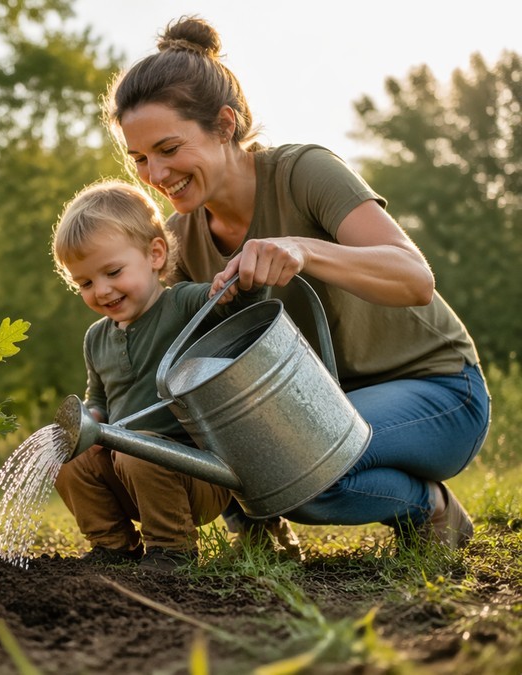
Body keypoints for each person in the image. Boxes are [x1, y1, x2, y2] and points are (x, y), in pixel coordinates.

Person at [103, 16, 490, 550]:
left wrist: (302, 249)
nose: (155, 174)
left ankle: (432, 509)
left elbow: (414, 278)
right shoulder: (179, 239)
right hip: (323, 409)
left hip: (439, 392)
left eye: (169, 149)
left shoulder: (304, 172)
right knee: (266, 450)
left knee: (299, 463)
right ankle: (263, 534)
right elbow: (196, 376)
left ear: (224, 125)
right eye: (140, 159)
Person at [51, 180, 282, 571]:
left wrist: (240, 288)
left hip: (199, 475)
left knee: (137, 451)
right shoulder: (96, 339)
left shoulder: (183, 303)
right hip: (129, 474)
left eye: (112, 272)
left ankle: (172, 550)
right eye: (85, 283)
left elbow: (238, 313)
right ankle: (112, 546)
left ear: (155, 254)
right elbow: (100, 400)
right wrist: (89, 424)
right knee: (66, 459)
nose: (101, 291)